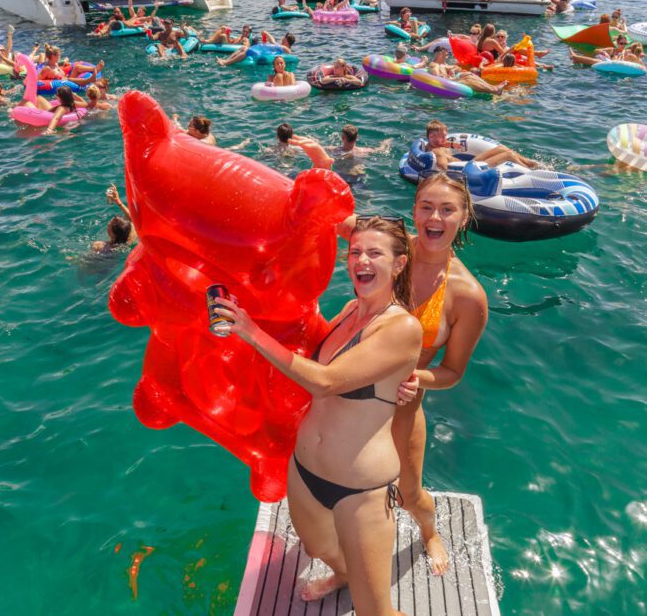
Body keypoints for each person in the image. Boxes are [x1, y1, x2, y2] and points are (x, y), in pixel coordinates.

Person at [287, 137, 490, 575]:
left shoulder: (468, 295)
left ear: (464, 216)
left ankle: (429, 534)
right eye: (425, 207)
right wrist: (319, 167)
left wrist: (423, 380)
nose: (434, 217)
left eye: (447, 209)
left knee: (409, 493)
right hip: (343, 395)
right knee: (330, 483)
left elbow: (453, 370)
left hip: (399, 408)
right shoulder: (389, 245)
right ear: (414, 210)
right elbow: (335, 218)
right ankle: (345, 565)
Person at [213, 216, 422, 613]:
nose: (361, 259)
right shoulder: (348, 311)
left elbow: (325, 381)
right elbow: (310, 353)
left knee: (373, 609)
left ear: (399, 264)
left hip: (360, 490)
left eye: (374, 253)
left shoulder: (402, 328)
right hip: (306, 470)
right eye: (355, 252)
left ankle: (356, 583)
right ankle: (343, 573)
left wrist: (250, 330)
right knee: (315, 546)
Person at [425, 119, 538, 169]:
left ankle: (530, 163)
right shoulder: (438, 151)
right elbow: (444, 169)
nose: (446, 138)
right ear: (431, 137)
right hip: (470, 170)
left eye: (446, 135)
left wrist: (453, 145)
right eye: (443, 136)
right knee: (509, 155)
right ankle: (530, 172)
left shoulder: (435, 145)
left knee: (501, 148)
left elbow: (444, 146)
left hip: (469, 164)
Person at [428, 46, 507, 95]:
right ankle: (494, 90)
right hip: (447, 82)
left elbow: (456, 68)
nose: (447, 57)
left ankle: (493, 87)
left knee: (469, 74)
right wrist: (451, 76)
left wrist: (453, 71)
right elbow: (437, 76)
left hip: (452, 78)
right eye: (446, 55)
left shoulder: (444, 65)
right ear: (440, 54)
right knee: (468, 79)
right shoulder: (434, 64)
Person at [92, 185, 137, 253]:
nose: (108, 224)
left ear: (113, 235)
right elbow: (133, 218)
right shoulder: (132, 237)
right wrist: (118, 201)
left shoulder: (98, 245)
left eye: (108, 225)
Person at [38, 45, 104, 85]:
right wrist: (51, 81)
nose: (60, 56)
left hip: (66, 78)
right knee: (70, 79)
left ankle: (95, 68)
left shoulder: (55, 64)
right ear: (53, 56)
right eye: (58, 55)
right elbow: (36, 81)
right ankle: (90, 80)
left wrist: (64, 65)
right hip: (63, 83)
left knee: (77, 67)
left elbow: (61, 72)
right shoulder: (47, 69)